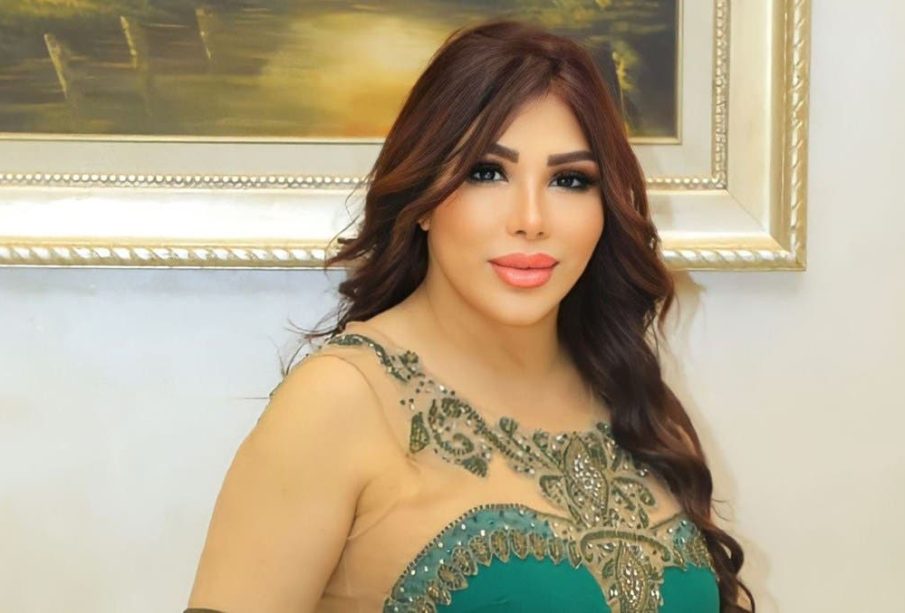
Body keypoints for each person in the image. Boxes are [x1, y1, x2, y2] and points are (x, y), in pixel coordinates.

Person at [185, 18, 754, 613]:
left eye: (569, 180)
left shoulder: (631, 398)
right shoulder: (339, 404)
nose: (531, 219)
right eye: (487, 173)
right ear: (423, 197)